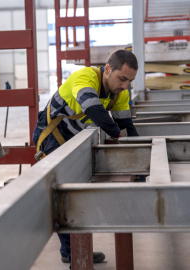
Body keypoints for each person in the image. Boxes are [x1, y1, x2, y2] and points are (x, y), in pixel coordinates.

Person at [32, 49, 139, 266]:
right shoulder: (84, 77)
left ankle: (69, 251)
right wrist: (117, 133)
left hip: (77, 138)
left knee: (74, 193)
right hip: (53, 137)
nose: (125, 85)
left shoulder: (120, 93)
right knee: (64, 197)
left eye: (129, 81)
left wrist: (141, 156)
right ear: (107, 69)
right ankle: (75, 256)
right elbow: (94, 110)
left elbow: (127, 126)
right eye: (122, 78)